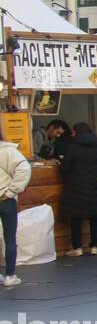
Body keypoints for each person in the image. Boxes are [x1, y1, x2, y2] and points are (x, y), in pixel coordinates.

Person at [61, 122, 97, 257]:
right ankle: (94, 246)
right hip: (95, 184)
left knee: (76, 216)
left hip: (76, 185)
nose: (72, 134)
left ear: (77, 132)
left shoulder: (72, 147)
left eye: (73, 132)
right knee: (95, 216)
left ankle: (77, 247)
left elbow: (65, 167)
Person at [0, 122, 32, 287]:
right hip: (6, 200)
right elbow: (24, 169)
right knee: (9, 239)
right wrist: (12, 191)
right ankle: (10, 275)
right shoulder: (8, 151)